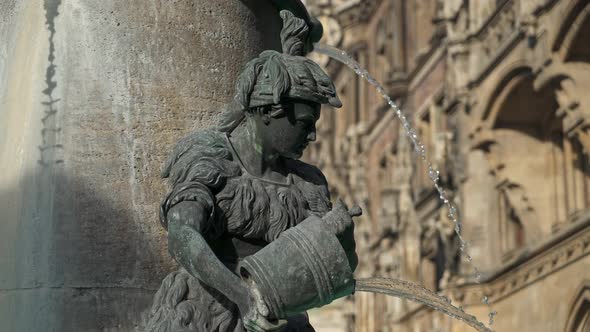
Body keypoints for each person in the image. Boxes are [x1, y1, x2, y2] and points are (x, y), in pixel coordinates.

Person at [146, 11, 359, 332]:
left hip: (279, 319)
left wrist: (339, 239)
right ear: (267, 111)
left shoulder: (308, 183)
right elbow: (182, 236)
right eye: (304, 123)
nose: (312, 135)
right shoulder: (210, 157)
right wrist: (243, 296)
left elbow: (333, 270)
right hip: (205, 313)